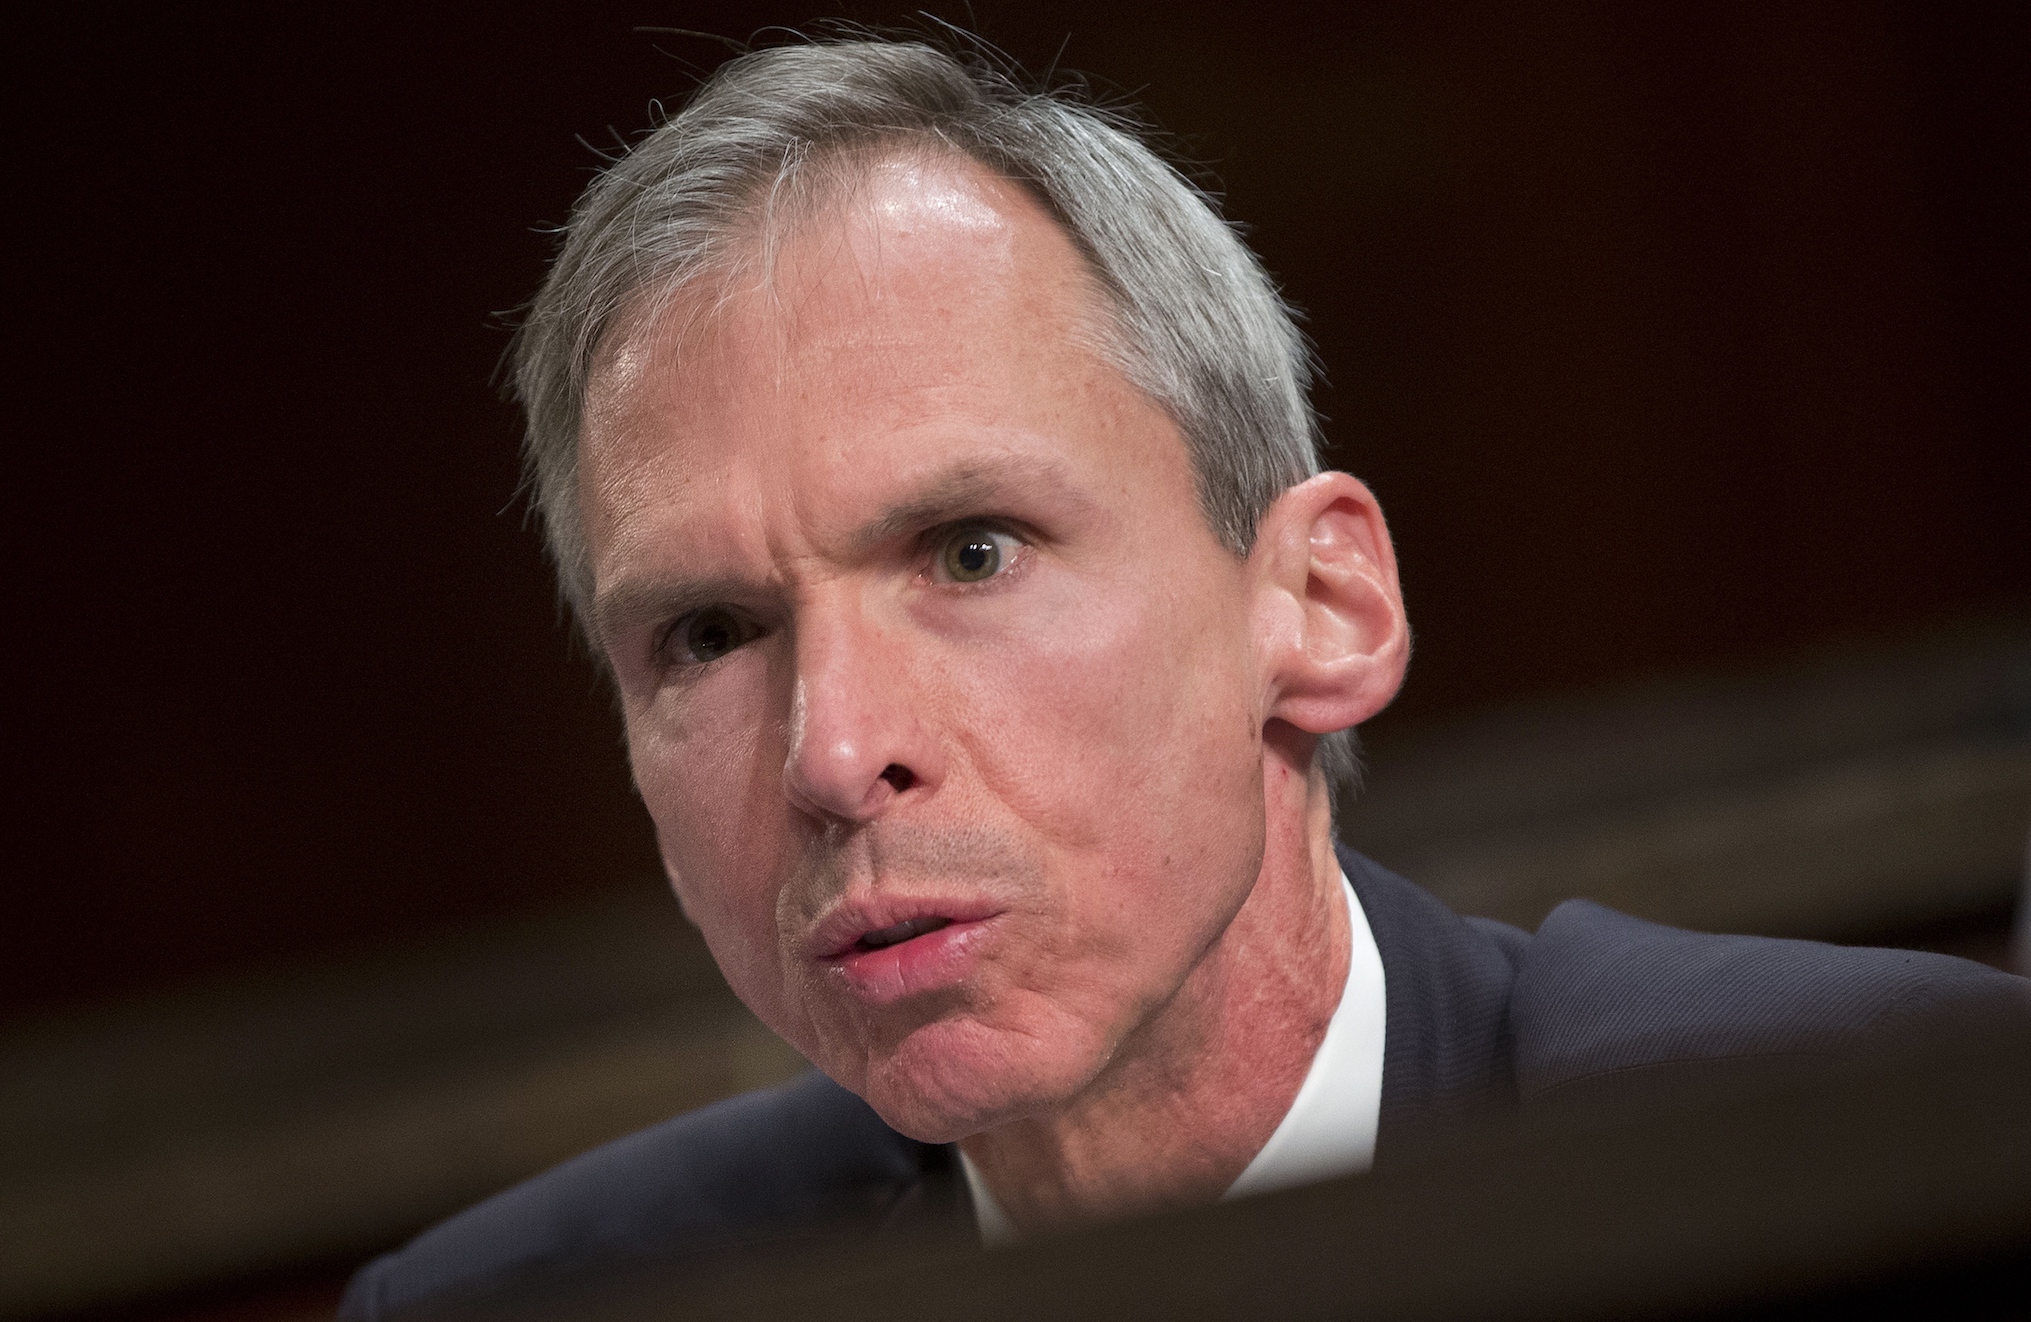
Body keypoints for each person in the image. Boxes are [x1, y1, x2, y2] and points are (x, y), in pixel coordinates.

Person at [341, 37, 2031, 1318]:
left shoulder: (1892, 1137)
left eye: (971, 550)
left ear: (1316, 605)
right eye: (709, 634)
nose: (835, 752)